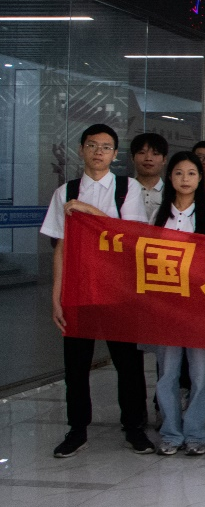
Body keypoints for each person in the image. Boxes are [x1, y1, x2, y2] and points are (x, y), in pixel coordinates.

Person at [42, 123, 153, 458]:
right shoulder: (65, 192)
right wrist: (56, 296)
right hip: (78, 289)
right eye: (92, 145)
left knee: (127, 363)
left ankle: (134, 427)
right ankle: (77, 429)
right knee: (76, 365)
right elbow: (60, 248)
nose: (98, 152)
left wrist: (88, 211)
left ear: (115, 154)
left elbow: (129, 235)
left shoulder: (127, 188)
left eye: (106, 147)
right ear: (81, 150)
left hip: (118, 289)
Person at [152, 153, 205, 456]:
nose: (185, 179)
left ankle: (195, 432)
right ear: (170, 177)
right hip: (166, 307)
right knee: (167, 373)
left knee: (200, 373)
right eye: (179, 173)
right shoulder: (158, 216)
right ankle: (170, 432)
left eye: (191, 173)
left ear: (199, 178)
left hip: (199, 308)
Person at [129, 132, 168, 222]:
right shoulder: (123, 191)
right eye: (142, 153)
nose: (148, 158)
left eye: (155, 153)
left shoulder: (171, 193)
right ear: (132, 158)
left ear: (164, 159)